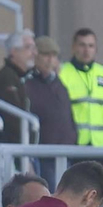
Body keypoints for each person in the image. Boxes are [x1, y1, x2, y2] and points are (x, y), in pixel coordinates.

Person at [57, 27, 103, 162]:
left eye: (91, 46)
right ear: (74, 48)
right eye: (82, 45)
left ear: (96, 49)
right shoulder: (63, 72)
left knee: (99, 183)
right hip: (74, 145)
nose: (87, 50)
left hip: (100, 146)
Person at [23, 34, 73, 187]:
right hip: (43, 153)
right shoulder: (27, 83)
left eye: (53, 55)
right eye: (46, 55)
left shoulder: (58, 83)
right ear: (36, 55)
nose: (50, 60)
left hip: (65, 151)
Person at [0, 28, 34, 144]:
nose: (34, 53)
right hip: (7, 151)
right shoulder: (7, 78)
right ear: (13, 51)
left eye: (34, 48)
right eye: (28, 47)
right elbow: (12, 121)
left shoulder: (19, 77)